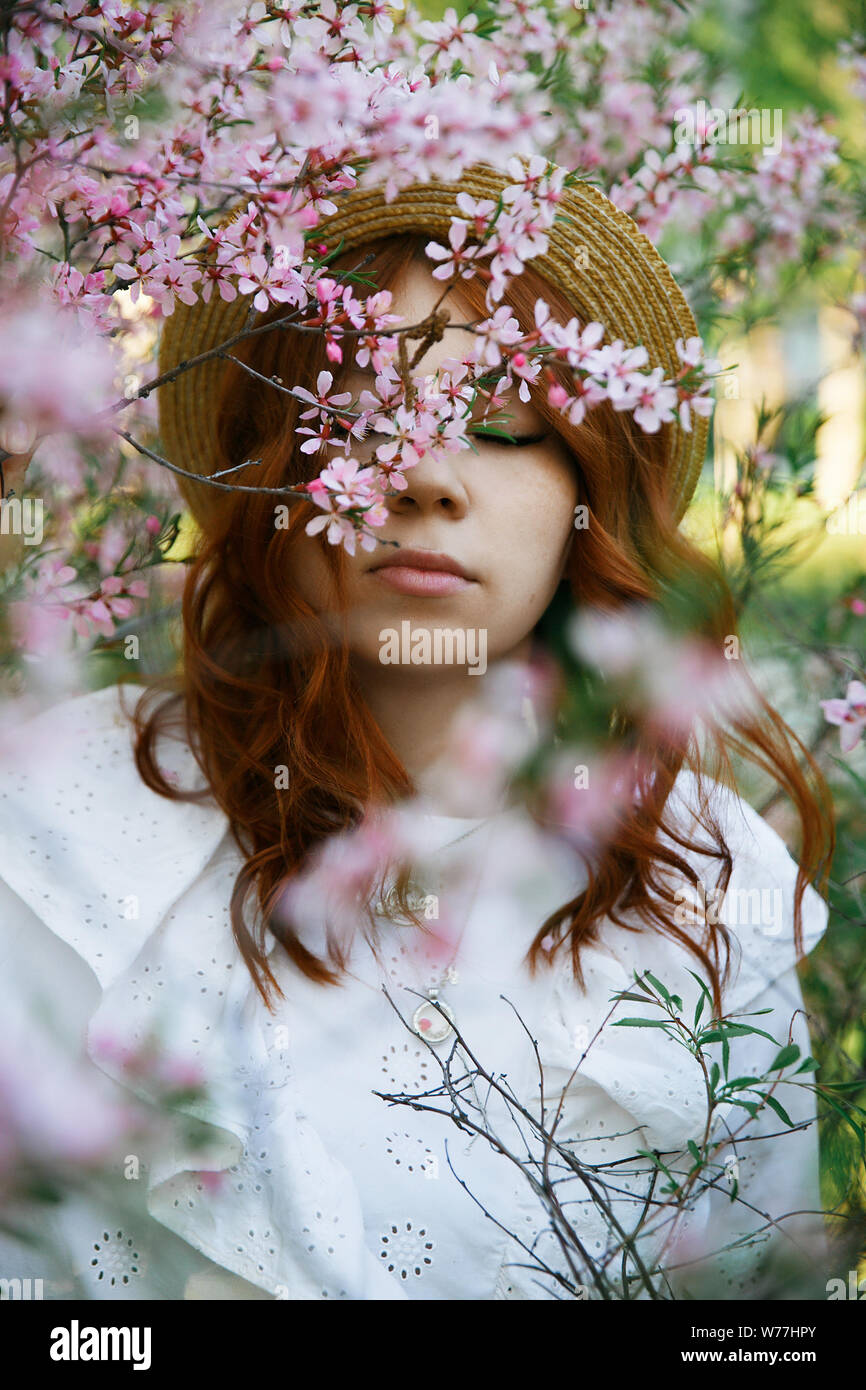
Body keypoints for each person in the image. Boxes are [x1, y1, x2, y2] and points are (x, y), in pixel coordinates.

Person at [0, 162, 834, 1301]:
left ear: (589, 487)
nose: (423, 477)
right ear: (260, 464)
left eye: (499, 423)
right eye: (359, 415)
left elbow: (758, 1301)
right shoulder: (75, 808)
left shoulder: (701, 871)